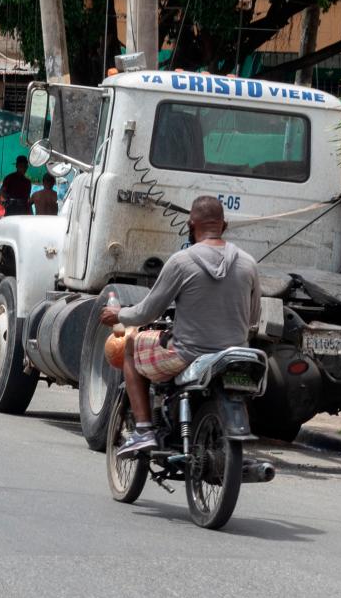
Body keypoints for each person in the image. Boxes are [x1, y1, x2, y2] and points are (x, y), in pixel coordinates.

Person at [101, 195, 261, 456]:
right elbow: (253, 318)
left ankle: (143, 430)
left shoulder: (181, 261)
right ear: (225, 225)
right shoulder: (248, 263)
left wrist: (119, 314)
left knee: (130, 345)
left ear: (191, 224)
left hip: (187, 355)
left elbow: (146, 312)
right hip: (234, 355)